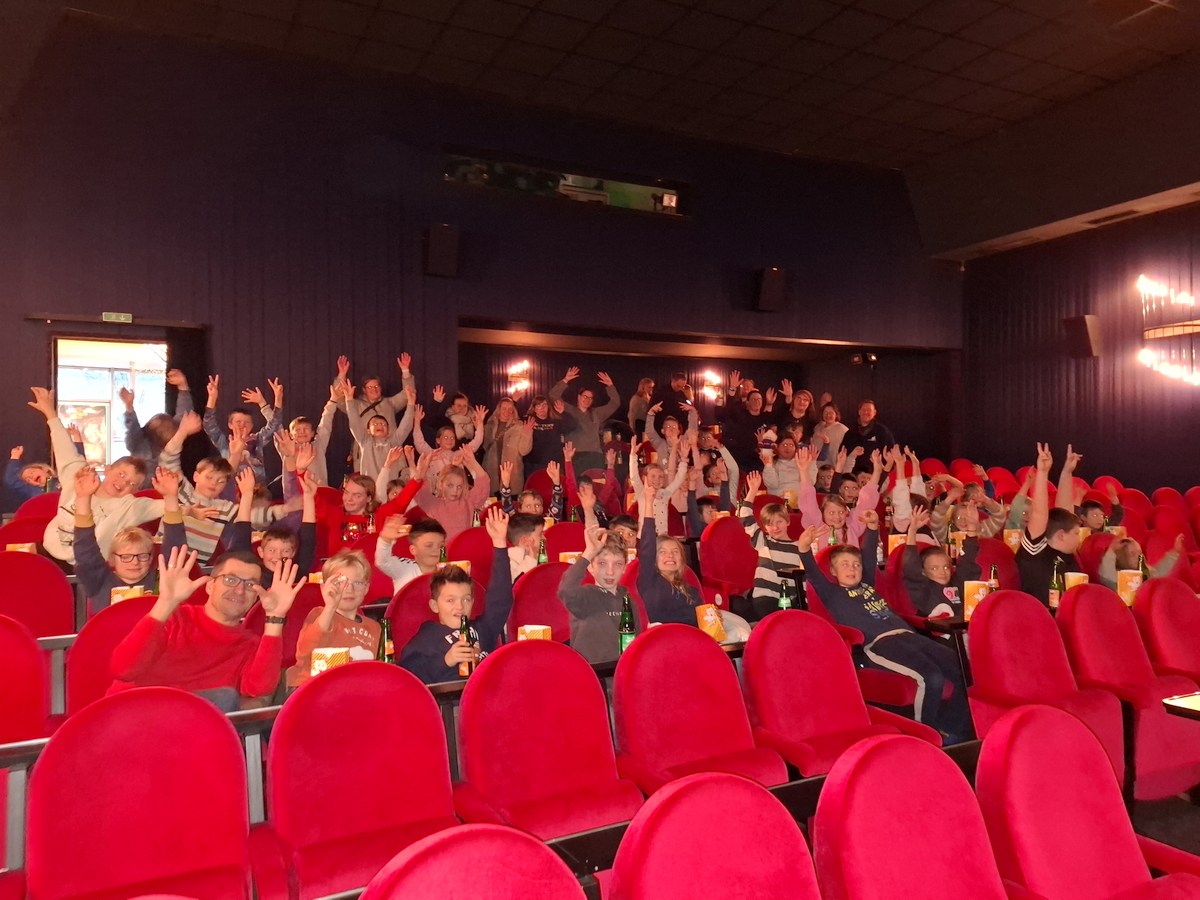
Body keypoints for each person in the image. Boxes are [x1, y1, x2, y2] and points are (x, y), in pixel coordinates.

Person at [797, 519, 972, 742]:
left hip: (908, 636)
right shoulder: (832, 593)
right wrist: (804, 548)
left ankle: (952, 729)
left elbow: (869, 556)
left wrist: (872, 527)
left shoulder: (867, 586)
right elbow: (813, 573)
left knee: (964, 668)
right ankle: (925, 736)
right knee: (932, 676)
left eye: (856, 565)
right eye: (845, 564)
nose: (852, 568)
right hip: (880, 643)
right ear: (833, 571)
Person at [109, 546, 304, 710]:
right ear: (210, 586)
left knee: (227, 699)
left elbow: (259, 690)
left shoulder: (249, 644)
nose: (239, 590)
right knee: (225, 698)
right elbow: (123, 669)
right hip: (136, 714)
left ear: (256, 596)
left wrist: (275, 616)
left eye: (250, 585)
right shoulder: (174, 618)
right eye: (230, 580)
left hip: (197, 728)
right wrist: (166, 603)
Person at [28, 387, 163, 564]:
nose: (123, 483)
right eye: (122, 475)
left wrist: (188, 508)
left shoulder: (129, 506)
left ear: (135, 491)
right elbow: (64, 448)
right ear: (107, 470)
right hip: (48, 552)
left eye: (132, 484)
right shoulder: (82, 478)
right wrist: (50, 413)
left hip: (87, 568)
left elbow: (167, 506)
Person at [399, 507, 514, 684]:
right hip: (451, 698)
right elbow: (407, 677)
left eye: (466, 599)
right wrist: (447, 660)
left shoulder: (483, 628)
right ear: (435, 605)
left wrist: (499, 543)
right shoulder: (427, 637)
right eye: (450, 600)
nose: (459, 606)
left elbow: (500, 598)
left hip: (486, 693)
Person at [161, 412, 292, 562]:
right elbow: (168, 459)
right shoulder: (182, 491)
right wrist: (182, 432)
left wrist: (285, 509)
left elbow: (254, 516)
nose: (214, 483)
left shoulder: (224, 507)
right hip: (164, 560)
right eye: (209, 477)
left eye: (220, 481)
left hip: (198, 566)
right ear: (196, 476)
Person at [73, 465, 188, 615]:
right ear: (112, 559)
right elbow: (85, 551)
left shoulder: (161, 581)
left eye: (142, 556)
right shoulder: (100, 581)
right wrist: (83, 498)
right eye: (126, 557)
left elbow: (175, 549)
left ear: (151, 558)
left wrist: (171, 497)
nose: (135, 562)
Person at [286, 548, 380, 689]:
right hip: (310, 687)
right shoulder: (320, 615)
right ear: (325, 588)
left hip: (352, 689)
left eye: (357, 583)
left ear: (366, 588)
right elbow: (306, 649)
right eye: (340, 583)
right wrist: (330, 607)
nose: (349, 589)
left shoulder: (374, 627)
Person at [558, 524, 639, 663]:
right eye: (602, 563)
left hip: (619, 670)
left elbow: (635, 643)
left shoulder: (628, 600)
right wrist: (588, 554)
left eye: (618, 564)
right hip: (592, 671)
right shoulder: (585, 597)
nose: (610, 572)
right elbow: (566, 590)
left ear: (625, 567)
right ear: (590, 566)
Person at [1017, 443, 1082, 607]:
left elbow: (1064, 511)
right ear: (1061, 535)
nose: (1079, 537)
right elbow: (1039, 513)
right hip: (1039, 617)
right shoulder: (1035, 551)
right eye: (1076, 533)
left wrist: (1067, 472)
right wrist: (1042, 472)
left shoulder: (1067, 554)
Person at [739, 471, 803, 621]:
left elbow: (804, 578)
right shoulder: (763, 541)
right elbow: (745, 516)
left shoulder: (799, 546)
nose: (775, 527)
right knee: (775, 619)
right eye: (770, 524)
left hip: (790, 599)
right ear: (765, 528)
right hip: (765, 597)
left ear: (788, 521)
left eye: (779, 521)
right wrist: (753, 490)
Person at [202, 374, 284, 485]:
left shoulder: (257, 440)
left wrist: (276, 399)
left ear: (252, 426)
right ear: (230, 424)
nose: (242, 425)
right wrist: (212, 398)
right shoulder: (224, 441)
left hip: (257, 488)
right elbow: (209, 425)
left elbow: (275, 424)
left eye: (246, 422)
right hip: (230, 487)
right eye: (238, 422)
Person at [902, 507, 982, 618]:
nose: (942, 572)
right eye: (934, 568)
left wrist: (972, 527)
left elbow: (968, 560)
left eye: (946, 567)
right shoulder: (923, 589)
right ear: (923, 571)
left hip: (963, 625)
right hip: (936, 627)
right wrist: (912, 531)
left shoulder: (957, 583)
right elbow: (911, 568)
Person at [118, 368, 194, 483]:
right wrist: (129, 406)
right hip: (137, 488)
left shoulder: (172, 444)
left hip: (163, 488)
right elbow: (132, 429)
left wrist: (183, 386)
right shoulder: (138, 443)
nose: (165, 429)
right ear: (149, 427)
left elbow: (184, 415)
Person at [549, 367, 620, 472]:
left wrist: (610, 385)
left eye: (590, 398)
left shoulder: (596, 413)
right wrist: (565, 380)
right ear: (579, 397)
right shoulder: (569, 410)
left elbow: (615, 403)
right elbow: (553, 395)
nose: (587, 400)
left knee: (597, 481)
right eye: (585, 396)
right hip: (576, 456)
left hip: (595, 456)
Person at [412, 449, 491, 541]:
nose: (455, 491)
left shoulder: (468, 502)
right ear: (441, 484)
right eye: (450, 485)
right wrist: (424, 467)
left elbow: (483, 483)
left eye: (459, 487)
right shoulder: (433, 504)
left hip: (464, 546)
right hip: (442, 548)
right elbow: (418, 488)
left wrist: (473, 462)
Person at [344, 383, 416, 482]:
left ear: (388, 431)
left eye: (383, 424)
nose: (379, 426)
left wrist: (411, 404)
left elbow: (405, 426)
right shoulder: (365, 442)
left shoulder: (393, 443)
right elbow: (354, 423)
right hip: (370, 488)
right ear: (368, 430)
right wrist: (349, 400)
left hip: (389, 488)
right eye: (375, 424)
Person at [334, 351, 416, 437]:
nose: (374, 389)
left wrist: (405, 370)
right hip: (364, 445)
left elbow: (408, 394)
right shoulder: (356, 405)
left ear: (380, 388)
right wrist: (342, 374)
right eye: (370, 387)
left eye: (376, 386)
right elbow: (338, 400)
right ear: (364, 390)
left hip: (390, 444)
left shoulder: (390, 403)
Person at [413, 401, 485, 488]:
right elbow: (419, 442)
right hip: (436, 493)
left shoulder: (458, 455)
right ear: (438, 440)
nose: (449, 440)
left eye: (452, 438)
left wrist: (480, 424)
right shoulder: (431, 454)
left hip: (456, 492)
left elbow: (476, 443)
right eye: (446, 437)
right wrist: (417, 422)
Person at [375, 516, 445, 593]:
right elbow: (383, 561)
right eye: (429, 545)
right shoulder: (404, 568)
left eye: (441, 546)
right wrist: (385, 540)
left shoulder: (447, 574)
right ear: (413, 550)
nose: (436, 550)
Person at [482, 397, 533, 495]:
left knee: (510, 500)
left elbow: (524, 451)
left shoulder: (519, 427)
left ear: (513, 411)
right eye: (504, 408)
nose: (507, 411)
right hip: (491, 471)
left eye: (510, 409)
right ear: (499, 409)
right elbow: (484, 446)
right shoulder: (489, 426)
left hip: (512, 473)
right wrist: (479, 425)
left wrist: (527, 433)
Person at [839, 400, 896, 473]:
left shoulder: (883, 432)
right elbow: (841, 454)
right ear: (859, 412)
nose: (866, 412)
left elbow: (890, 454)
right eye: (863, 410)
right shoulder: (850, 433)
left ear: (874, 412)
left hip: (875, 474)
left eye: (869, 410)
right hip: (854, 475)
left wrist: (883, 471)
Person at [523, 395, 567, 472]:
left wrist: (563, 413)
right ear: (534, 408)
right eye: (538, 405)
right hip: (534, 464)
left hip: (554, 463)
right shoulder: (528, 421)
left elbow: (572, 426)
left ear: (548, 407)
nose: (542, 407)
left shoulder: (556, 422)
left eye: (544, 404)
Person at [505, 512, 545, 583]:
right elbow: (520, 583)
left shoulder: (538, 555)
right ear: (525, 541)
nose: (544, 538)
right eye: (540, 534)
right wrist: (531, 558)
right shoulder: (509, 562)